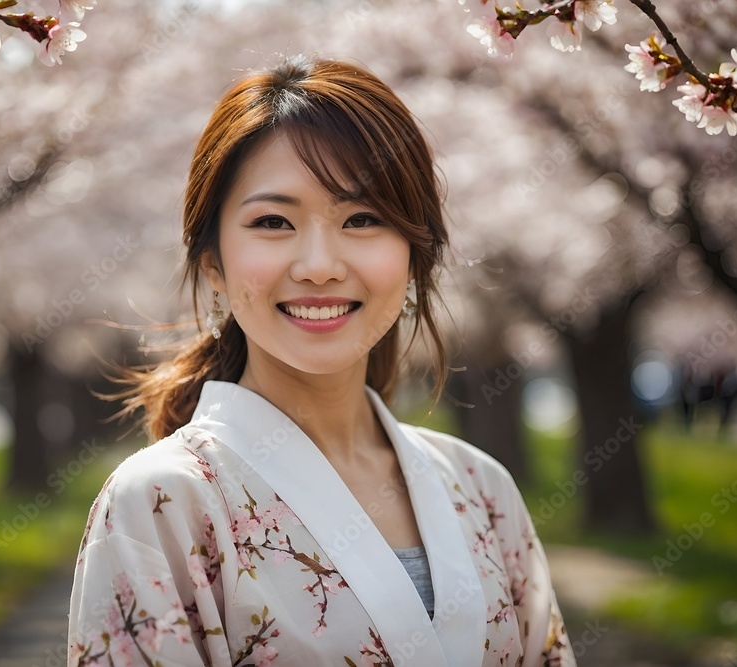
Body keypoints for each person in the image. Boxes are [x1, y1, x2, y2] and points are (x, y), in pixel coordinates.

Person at [67, 55, 576, 667]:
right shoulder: (162, 502)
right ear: (213, 263)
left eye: (363, 219)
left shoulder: (481, 487)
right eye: (273, 221)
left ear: (415, 254)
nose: (319, 265)